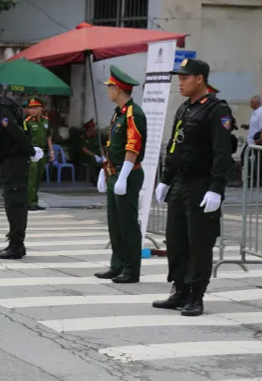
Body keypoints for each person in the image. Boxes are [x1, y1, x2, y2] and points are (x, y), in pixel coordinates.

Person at [152, 58, 234, 317]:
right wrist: (165, 178)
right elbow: (174, 146)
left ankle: (196, 296)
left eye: (185, 77)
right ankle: (179, 290)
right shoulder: (184, 109)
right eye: (180, 77)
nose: (181, 82)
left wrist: (216, 188)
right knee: (176, 240)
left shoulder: (216, 110)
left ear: (200, 79)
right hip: (180, 183)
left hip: (201, 184)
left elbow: (222, 153)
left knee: (199, 242)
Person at [0, 78, 43, 259]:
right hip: (10, 161)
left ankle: (16, 246)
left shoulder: (2, 108)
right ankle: (16, 243)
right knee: (12, 202)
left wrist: (30, 151)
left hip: (14, 162)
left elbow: (14, 130)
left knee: (15, 203)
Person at [94, 66, 147, 284]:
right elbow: (113, 146)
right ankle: (117, 265)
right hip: (113, 173)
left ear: (117, 89)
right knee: (114, 224)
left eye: (109, 87)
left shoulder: (134, 113)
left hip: (128, 174)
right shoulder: (119, 113)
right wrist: (103, 170)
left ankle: (131, 269)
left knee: (127, 224)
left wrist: (124, 176)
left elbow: (133, 146)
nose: (107, 90)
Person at [24, 98, 55, 210]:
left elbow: (48, 137)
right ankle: (30, 202)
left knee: (38, 178)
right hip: (32, 153)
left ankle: (34, 201)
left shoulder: (46, 121)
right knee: (31, 178)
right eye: (30, 108)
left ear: (41, 108)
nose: (32, 110)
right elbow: (25, 138)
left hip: (43, 153)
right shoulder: (27, 122)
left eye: (35, 108)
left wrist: (51, 151)